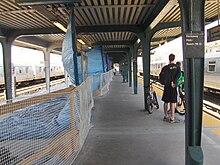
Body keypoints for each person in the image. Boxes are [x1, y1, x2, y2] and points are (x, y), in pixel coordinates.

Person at [161, 54, 180, 123]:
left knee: (166, 101)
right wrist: (174, 82)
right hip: (173, 87)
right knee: (173, 102)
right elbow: (178, 75)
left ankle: (166, 116)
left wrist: (165, 83)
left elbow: (161, 77)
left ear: (169, 59)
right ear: (174, 59)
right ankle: (172, 118)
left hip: (167, 87)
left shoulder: (165, 68)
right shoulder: (177, 67)